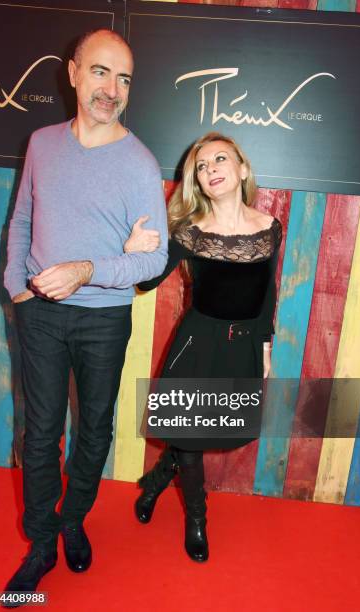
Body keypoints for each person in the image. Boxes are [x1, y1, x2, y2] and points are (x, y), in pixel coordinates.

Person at [3, 29, 167, 597]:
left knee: (94, 430)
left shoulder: (140, 164)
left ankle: (74, 519)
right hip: (41, 314)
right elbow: (22, 218)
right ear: (72, 73)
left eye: (124, 78)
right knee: (42, 431)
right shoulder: (42, 142)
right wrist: (14, 284)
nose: (112, 89)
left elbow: (157, 260)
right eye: (100, 72)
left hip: (103, 318)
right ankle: (43, 539)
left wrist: (87, 270)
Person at [131, 132, 282, 563]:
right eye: (202, 165)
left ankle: (159, 478)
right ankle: (197, 520)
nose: (211, 168)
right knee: (189, 436)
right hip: (197, 342)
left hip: (244, 344)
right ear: (196, 181)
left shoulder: (269, 227)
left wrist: (266, 346)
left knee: (218, 428)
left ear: (242, 169)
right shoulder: (190, 231)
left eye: (220, 159)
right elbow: (146, 281)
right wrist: (139, 248)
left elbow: (267, 292)